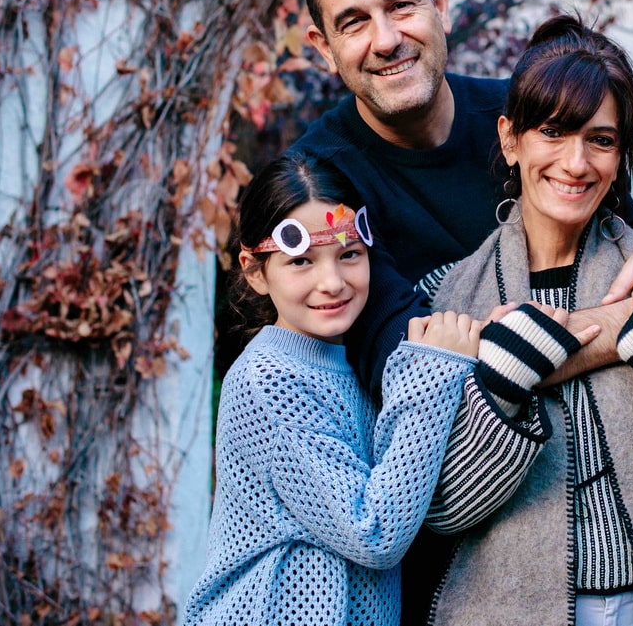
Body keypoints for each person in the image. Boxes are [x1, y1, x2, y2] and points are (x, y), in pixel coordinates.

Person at [289, 0, 633, 623]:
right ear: (324, 46)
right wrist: (632, 327)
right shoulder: (321, 182)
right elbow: (421, 367)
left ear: (439, 2)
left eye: (401, 5)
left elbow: (625, 230)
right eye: (353, 21)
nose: (385, 38)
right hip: (458, 560)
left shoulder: (530, 114)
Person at [422, 15, 633, 626]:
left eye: (601, 139)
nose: (576, 162)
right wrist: (502, 389)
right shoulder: (447, 296)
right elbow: (437, 509)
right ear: (510, 139)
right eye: (552, 132)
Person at [185, 155, 482, 626]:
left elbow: (396, 476)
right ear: (256, 271)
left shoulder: (352, 361)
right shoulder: (270, 380)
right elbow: (374, 532)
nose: (332, 282)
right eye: (301, 261)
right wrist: (434, 374)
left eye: (349, 254)